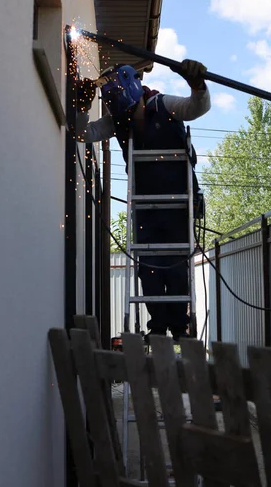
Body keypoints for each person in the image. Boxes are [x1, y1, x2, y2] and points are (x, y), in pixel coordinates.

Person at [75, 59, 210, 340]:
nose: (126, 116)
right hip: (145, 207)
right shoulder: (118, 121)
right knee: (148, 268)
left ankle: (179, 327)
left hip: (178, 205)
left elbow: (197, 107)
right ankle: (158, 328)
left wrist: (197, 84)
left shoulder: (163, 104)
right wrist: (81, 107)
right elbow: (82, 133)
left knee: (175, 267)